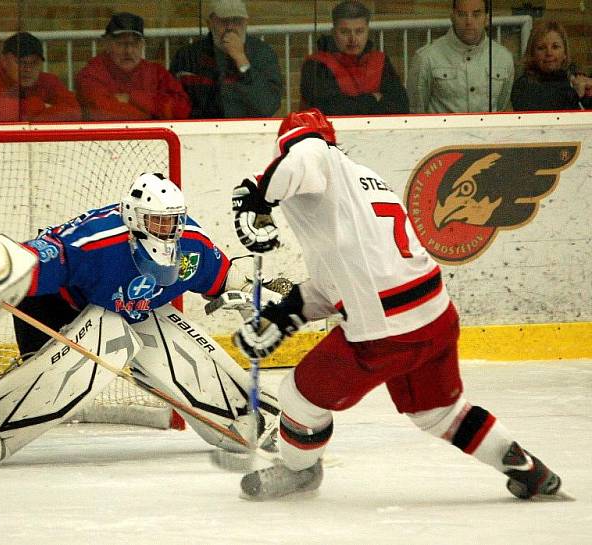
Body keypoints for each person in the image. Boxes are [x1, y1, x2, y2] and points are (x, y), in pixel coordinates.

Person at [229, 109, 564, 501]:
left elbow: (306, 151)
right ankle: (524, 466)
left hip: (386, 332)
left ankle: (299, 470)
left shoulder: (316, 155)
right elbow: (336, 282)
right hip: (435, 316)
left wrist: (257, 194)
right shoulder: (359, 184)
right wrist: (283, 315)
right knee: (439, 413)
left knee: (297, 396)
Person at [0, 173, 281, 468]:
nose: (168, 230)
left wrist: (255, 297)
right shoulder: (97, 242)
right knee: (109, 338)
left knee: (158, 333)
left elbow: (224, 278)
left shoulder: (191, 244)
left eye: (173, 220)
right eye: (158, 221)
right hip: (58, 312)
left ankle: (248, 417)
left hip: (131, 310)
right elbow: (42, 251)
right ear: (133, 217)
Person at [170, 0, 282, 118]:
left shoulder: (262, 54)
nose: (230, 27)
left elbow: (268, 106)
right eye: (224, 21)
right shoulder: (188, 56)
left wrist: (242, 60)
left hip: (248, 130)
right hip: (201, 130)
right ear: (210, 23)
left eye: (236, 21)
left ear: (246, 23)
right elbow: (174, 104)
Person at [300, 0, 408, 115]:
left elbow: (401, 106)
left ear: (368, 32)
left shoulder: (380, 61)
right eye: (345, 32)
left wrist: (349, 103)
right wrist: (374, 98)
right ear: (333, 33)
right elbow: (327, 110)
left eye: (359, 31)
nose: (353, 39)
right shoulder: (316, 64)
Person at [76, 13, 190, 121]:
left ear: (142, 45)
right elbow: (104, 114)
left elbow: (182, 110)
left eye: (135, 44)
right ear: (107, 44)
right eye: (121, 44)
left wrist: (132, 98)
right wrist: (154, 113)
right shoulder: (91, 75)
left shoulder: (156, 73)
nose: (129, 51)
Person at [407, 0, 514, 113]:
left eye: (476, 15)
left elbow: (502, 108)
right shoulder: (426, 58)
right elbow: (416, 113)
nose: (469, 21)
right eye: (462, 14)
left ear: (486, 19)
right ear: (452, 17)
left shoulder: (503, 58)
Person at [0, 32, 81, 122]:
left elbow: (74, 112)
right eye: (21, 62)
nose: (28, 69)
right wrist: (43, 106)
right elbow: (1, 115)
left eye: (34, 63)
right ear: (4, 60)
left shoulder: (47, 81)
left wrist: (30, 115)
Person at [511, 20, 592, 111]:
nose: (549, 53)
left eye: (555, 47)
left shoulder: (572, 81)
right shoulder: (523, 87)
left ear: (565, 53)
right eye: (541, 48)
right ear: (532, 54)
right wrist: (576, 94)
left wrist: (588, 94)